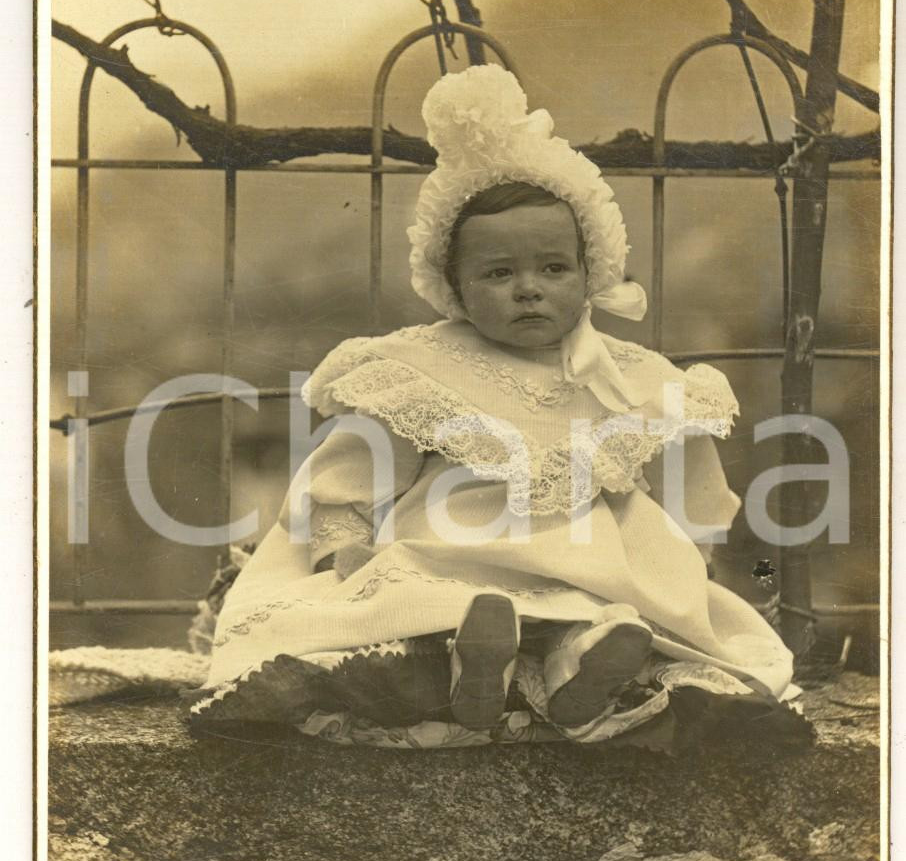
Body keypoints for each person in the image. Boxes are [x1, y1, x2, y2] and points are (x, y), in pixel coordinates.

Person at [190, 65, 805, 750]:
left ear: (590, 271)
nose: (529, 291)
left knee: (606, 612)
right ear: (452, 287)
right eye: (499, 273)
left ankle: (588, 670)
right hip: (454, 550)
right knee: (427, 605)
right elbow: (350, 468)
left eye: (552, 269)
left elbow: (690, 478)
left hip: (593, 559)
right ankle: (475, 664)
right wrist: (343, 540)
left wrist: (692, 554)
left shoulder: (629, 374)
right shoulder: (421, 368)